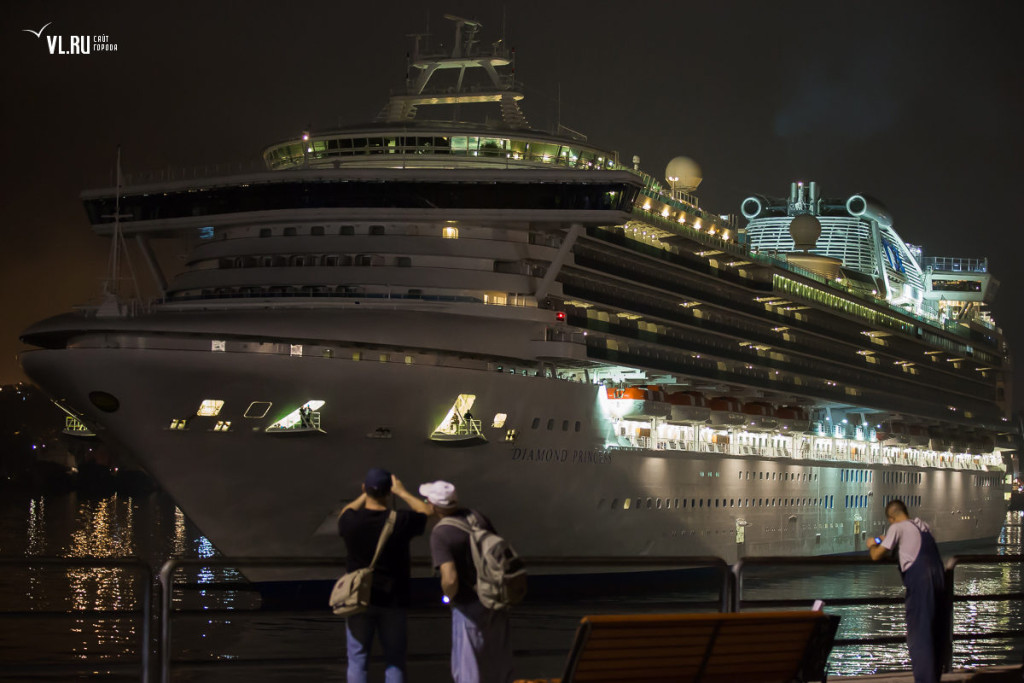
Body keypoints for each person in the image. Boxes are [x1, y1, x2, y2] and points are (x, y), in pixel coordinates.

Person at [338, 468, 432, 683]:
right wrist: (403, 492)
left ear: (364, 489)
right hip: (393, 599)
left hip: (359, 598)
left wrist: (365, 494)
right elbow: (427, 511)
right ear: (389, 492)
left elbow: (345, 512)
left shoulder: (351, 522)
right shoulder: (400, 521)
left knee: (357, 659)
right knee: (395, 660)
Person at [419, 480, 513, 683]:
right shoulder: (477, 517)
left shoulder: (441, 533)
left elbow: (450, 578)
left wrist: (447, 596)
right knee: (497, 663)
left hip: (468, 604)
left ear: (434, 506)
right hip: (495, 598)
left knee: (468, 667)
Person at [867, 499, 948, 683]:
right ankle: (935, 677)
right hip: (939, 579)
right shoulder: (922, 525)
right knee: (936, 632)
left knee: (919, 637)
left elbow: (876, 555)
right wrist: (883, 538)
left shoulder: (897, 528)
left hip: (920, 584)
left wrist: (872, 543)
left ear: (891, 517)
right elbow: (901, 541)